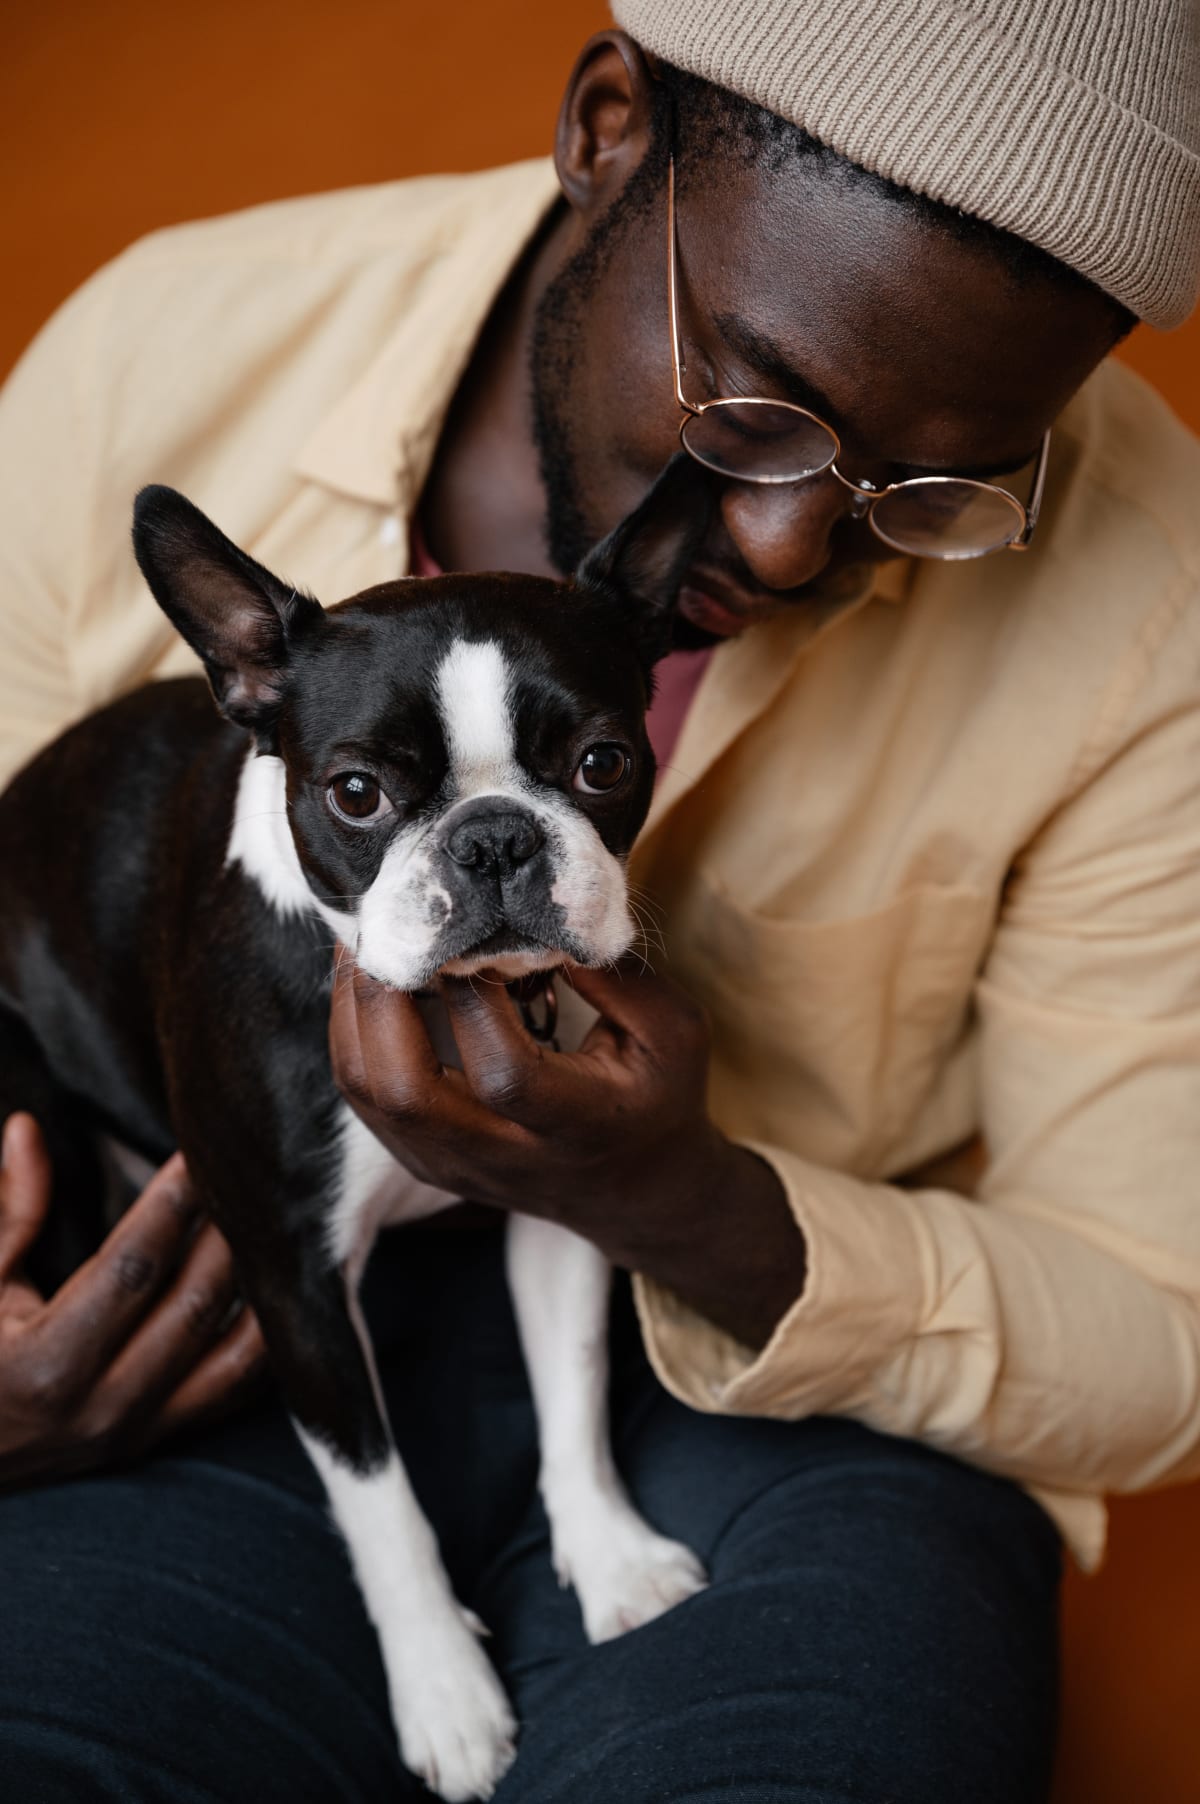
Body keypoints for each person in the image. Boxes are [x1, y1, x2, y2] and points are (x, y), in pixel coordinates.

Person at [1, 2, 1198, 1798]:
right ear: (609, 126)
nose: (793, 544)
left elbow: (1161, 1338)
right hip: (211, 1323)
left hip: (772, 1388)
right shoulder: (165, 352)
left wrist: (679, 1195)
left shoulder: (1157, 595)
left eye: (940, 487)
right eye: (756, 410)